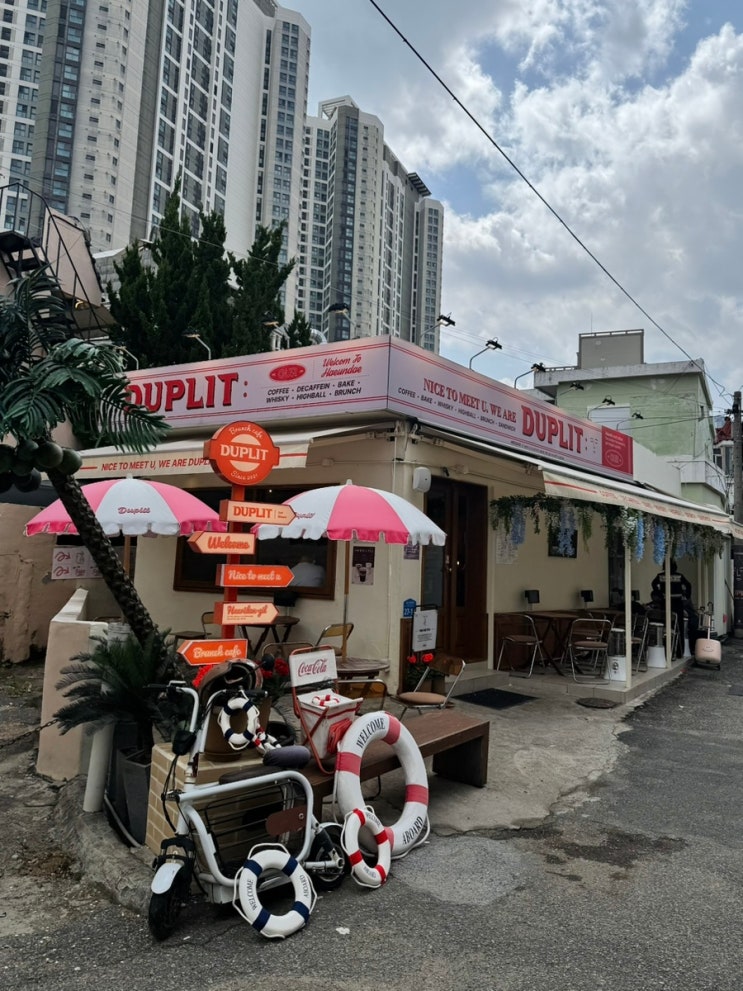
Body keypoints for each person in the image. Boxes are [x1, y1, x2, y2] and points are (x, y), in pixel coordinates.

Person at [650, 560, 698, 657]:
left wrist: (659, 594)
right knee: (679, 628)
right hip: (677, 603)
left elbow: (653, 584)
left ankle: (666, 650)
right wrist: (686, 595)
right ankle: (680, 652)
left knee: (666, 626)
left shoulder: (661, 576)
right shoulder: (679, 576)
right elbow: (688, 585)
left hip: (665, 603)